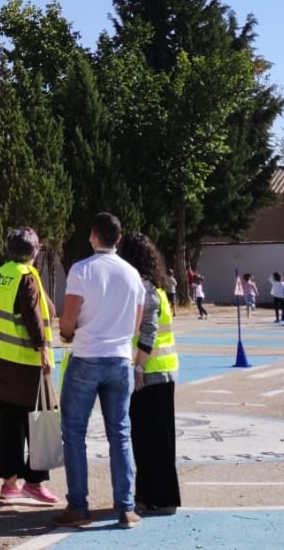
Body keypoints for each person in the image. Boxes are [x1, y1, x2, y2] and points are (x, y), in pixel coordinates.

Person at [53, 212, 147, 529]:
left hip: (87, 355)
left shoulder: (81, 270)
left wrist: (66, 332)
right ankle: (126, 507)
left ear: (93, 236)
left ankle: (78, 506)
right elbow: (136, 323)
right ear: (118, 239)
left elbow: (69, 317)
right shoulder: (133, 275)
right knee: (120, 434)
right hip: (119, 358)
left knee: (75, 433)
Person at [0, 227, 59, 508]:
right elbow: (33, 314)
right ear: (34, 251)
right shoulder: (26, 278)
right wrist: (44, 349)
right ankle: (34, 483)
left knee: (9, 424)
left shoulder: (2, 274)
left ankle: (9, 483)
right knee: (36, 422)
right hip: (24, 362)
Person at [119, 233, 180, 517]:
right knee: (154, 439)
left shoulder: (143, 288)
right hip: (162, 372)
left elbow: (149, 330)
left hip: (150, 373)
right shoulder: (156, 287)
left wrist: (138, 368)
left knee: (150, 440)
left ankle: (160, 497)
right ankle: (148, 494)